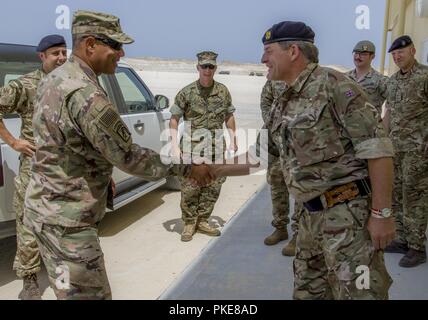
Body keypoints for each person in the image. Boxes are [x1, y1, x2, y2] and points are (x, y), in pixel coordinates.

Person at [23, 10, 211, 300]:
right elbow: (129, 156)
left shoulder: (56, 77)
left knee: (66, 291)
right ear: (89, 45)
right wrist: (187, 169)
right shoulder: (85, 93)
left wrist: (98, 174)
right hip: (68, 224)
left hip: (45, 213)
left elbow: (63, 142)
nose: (121, 52)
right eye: (114, 44)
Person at [209, 21, 395, 299]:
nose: (262, 59)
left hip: (348, 218)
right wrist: (212, 169)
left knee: (359, 293)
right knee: (309, 292)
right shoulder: (281, 100)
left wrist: (382, 215)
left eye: (268, 51)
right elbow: (261, 154)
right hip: (308, 218)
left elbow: (378, 151)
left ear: (293, 50)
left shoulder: (337, 87)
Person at [0, 34, 67, 299]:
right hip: (36, 168)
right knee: (28, 224)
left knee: (62, 226)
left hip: (66, 171)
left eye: (63, 52)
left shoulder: (73, 84)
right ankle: (29, 280)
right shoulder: (26, 84)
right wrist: (14, 141)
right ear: (42, 57)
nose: (61, 58)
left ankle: (63, 276)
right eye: (55, 54)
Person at [169, 51, 237, 242]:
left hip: (216, 149)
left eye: (211, 66)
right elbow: (174, 119)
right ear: (197, 68)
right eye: (204, 66)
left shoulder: (223, 91)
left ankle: (203, 220)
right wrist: (174, 145)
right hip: (192, 149)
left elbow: (229, 116)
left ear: (215, 68)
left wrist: (233, 138)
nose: (207, 70)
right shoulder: (187, 92)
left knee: (213, 186)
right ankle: (190, 223)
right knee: (190, 187)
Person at [384, 35, 428, 268]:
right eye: (394, 54)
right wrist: (382, 139)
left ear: (412, 50)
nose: (397, 56)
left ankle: (417, 247)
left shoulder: (425, 76)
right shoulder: (391, 82)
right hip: (396, 148)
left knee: (415, 197)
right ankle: (402, 239)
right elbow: (389, 113)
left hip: (418, 149)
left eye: (401, 52)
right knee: (396, 195)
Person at [260, 80, 300, 256]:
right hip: (276, 140)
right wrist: (273, 122)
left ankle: (299, 234)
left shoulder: (306, 79)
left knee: (300, 189)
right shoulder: (273, 81)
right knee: (277, 184)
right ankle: (280, 227)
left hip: (298, 142)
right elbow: (265, 101)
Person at [345, 40, 388, 114]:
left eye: (363, 54)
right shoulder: (344, 78)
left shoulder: (380, 80)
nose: (358, 57)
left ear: (372, 56)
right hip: (345, 124)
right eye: (356, 53)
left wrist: (386, 120)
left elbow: (395, 102)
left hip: (370, 125)